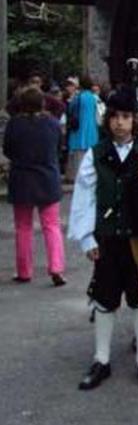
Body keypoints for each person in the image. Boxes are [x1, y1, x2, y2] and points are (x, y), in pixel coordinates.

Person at [69, 89, 138, 391]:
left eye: (126, 117)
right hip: (107, 238)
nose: (120, 123)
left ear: (135, 120)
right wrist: (86, 238)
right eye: (115, 117)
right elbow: (83, 198)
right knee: (104, 298)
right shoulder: (96, 154)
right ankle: (101, 359)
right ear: (108, 120)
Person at [3, 87, 66, 286]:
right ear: (43, 103)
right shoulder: (53, 124)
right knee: (52, 226)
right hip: (47, 177)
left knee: (23, 227)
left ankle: (24, 271)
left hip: (22, 179)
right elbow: (58, 148)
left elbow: (8, 150)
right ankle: (56, 267)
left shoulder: (14, 125)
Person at [65, 75, 101, 182]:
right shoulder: (94, 98)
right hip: (92, 131)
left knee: (78, 159)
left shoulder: (78, 97)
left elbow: (70, 111)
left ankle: (76, 178)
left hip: (79, 131)